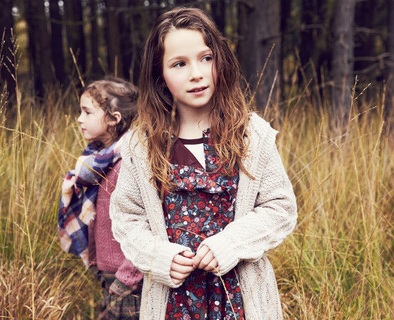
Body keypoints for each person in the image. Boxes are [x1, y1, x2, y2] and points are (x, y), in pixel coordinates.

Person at [109, 7, 297, 320]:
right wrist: (161, 258)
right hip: (173, 303)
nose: (196, 73)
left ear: (219, 60)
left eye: (205, 58)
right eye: (179, 64)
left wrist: (232, 244)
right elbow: (128, 218)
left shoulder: (252, 135)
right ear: (160, 74)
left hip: (240, 300)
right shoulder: (141, 145)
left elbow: (280, 208)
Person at [58, 76, 143, 319]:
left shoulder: (128, 165)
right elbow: (98, 219)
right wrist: (95, 263)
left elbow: (145, 227)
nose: (79, 119)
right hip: (108, 273)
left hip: (130, 280)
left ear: (114, 119)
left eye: (87, 112)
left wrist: (127, 278)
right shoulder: (99, 164)